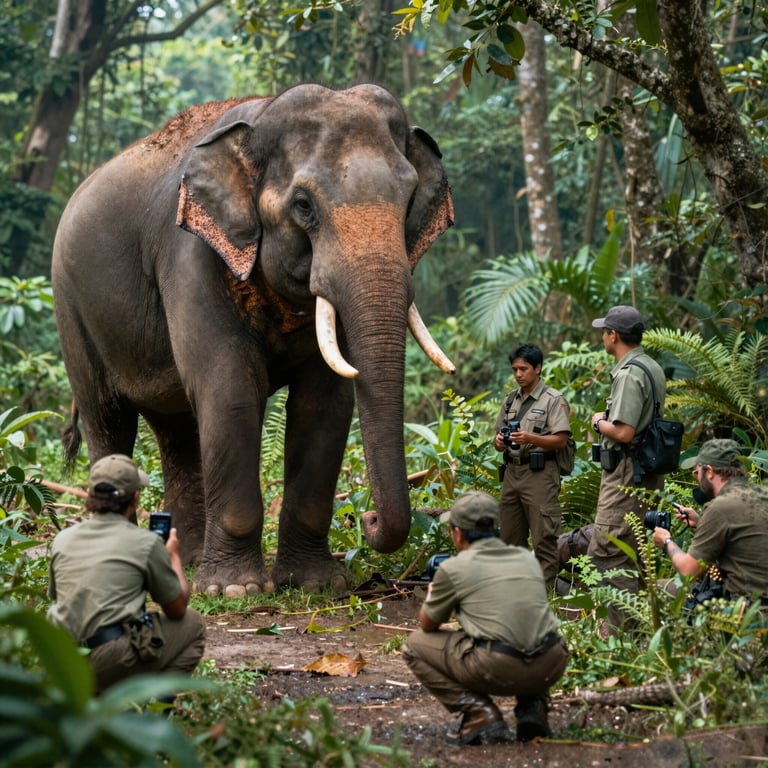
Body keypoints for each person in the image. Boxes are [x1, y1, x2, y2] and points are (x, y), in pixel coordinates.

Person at [402, 491, 569, 746]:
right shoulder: (526, 557)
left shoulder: (454, 568)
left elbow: (428, 625)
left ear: (458, 533)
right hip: (551, 662)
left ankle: (480, 713)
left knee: (414, 646)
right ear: (495, 527)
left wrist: (433, 595)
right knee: (526, 628)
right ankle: (533, 707)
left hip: (500, 667)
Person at [48, 454, 206, 695]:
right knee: (193, 625)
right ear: (135, 499)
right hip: (109, 658)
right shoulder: (145, 543)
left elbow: (57, 598)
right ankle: (153, 710)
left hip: (62, 657)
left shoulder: (62, 540)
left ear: (89, 497)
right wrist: (173, 556)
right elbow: (176, 609)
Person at [587, 306, 666, 619]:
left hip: (625, 476)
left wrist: (598, 422)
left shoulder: (630, 373)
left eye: (604, 331)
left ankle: (622, 636)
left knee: (608, 551)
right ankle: (645, 625)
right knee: (634, 550)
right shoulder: (651, 366)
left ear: (613, 335)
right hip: (644, 472)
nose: (603, 336)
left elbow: (624, 431)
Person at [492, 343, 571, 590]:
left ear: (538, 368)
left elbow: (561, 439)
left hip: (540, 475)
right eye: (515, 369)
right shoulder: (509, 401)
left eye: (523, 369)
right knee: (509, 538)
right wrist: (499, 442)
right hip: (512, 473)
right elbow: (497, 439)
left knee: (544, 539)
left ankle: (546, 595)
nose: (518, 374)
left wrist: (530, 438)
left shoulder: (553, 400)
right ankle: (515, 592)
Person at [652, 439, 768, 602]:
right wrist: (701, 523)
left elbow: (689, 572)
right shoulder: (762, 494)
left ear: (710, 471)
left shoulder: (720, 507)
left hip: (745, 612)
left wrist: (666, 541)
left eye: (696, 473)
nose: (697, 479)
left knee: (657, 589)